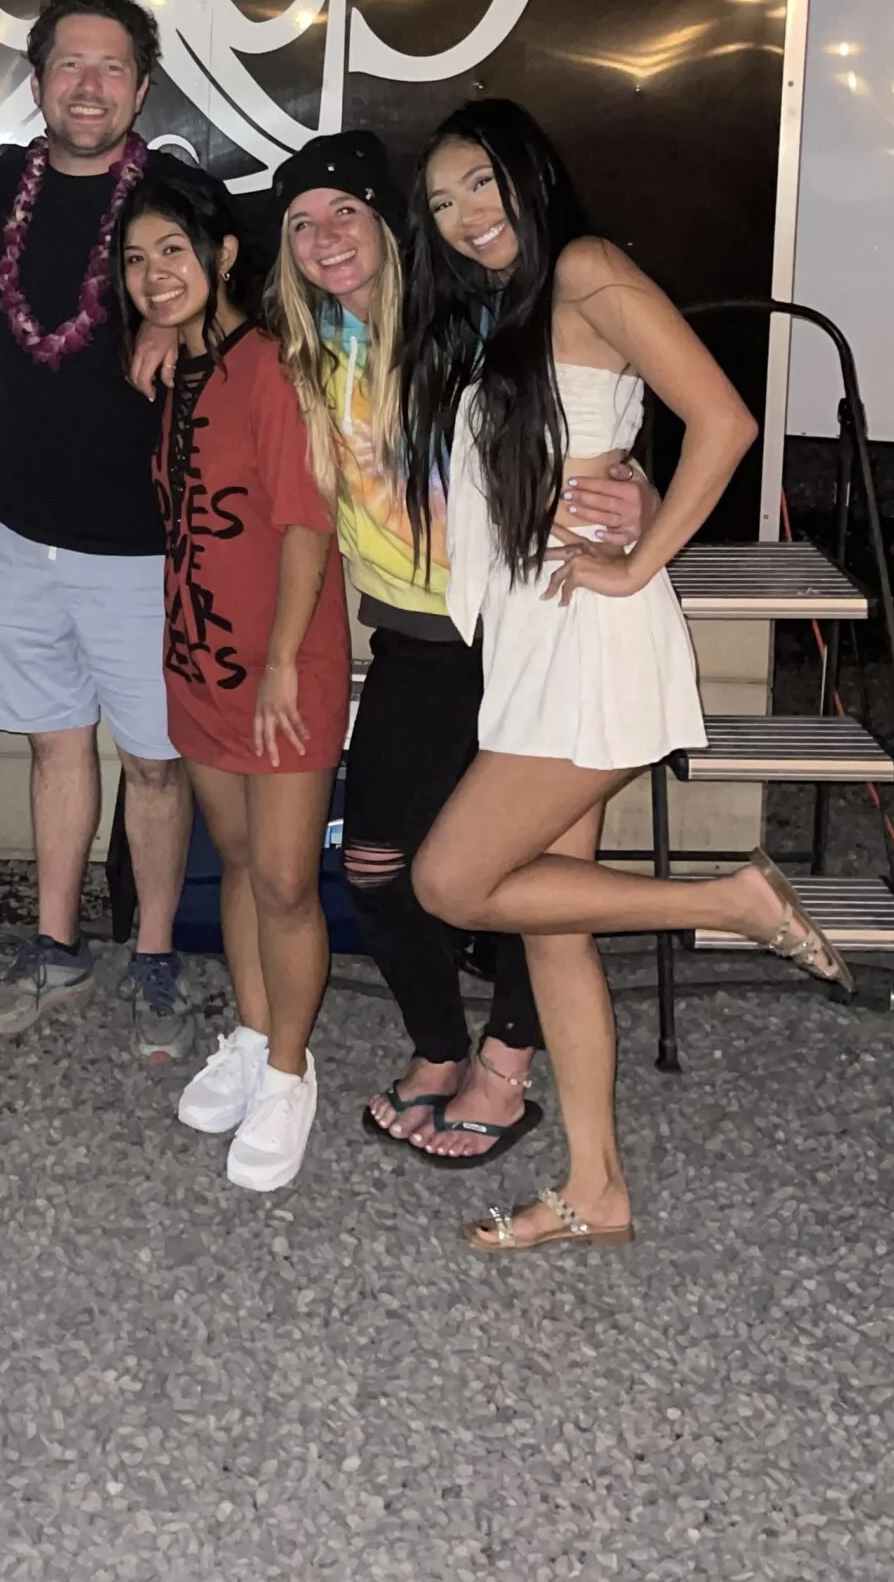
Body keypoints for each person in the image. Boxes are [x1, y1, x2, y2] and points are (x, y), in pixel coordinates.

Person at [403, 100, 849, 1254]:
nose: (465, 218)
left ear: (533, 176)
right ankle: (594, 1186)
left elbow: (727, 416)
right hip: (533, 638)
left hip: (588, 636)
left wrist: (644, 552)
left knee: (453, 879)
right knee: (551, 925)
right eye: (444, 203)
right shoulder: (507, 309)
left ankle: (728, 903)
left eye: (483, 186)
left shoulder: (590, 268)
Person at [268, 131, 653, 1166]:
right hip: (416, 636)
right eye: (302, 223)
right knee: (379, 862)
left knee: (532, 862)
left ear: (390, 227)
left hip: (529, 623)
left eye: (345, 212)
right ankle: (439, 1047)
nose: (325, 236)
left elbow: (598, 395)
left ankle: (508, 1061)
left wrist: (639, 487)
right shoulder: (309, 351)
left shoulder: (471, 317)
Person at [0, 0, 246, 1063]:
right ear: (36, 83)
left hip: (142, 540)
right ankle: (52, 943)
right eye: (69, 66)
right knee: (53, 745)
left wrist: (195, 325)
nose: (89, 86)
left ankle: (158, 952)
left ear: (143, 83)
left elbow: (251, 298)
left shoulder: (176, 198)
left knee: (159, 760)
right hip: (22, 526)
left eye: (112, 67)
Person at [118, 178, 349, 1188]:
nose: (151, 275)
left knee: (289, 881)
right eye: (134, 260)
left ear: (221, 255)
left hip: (280, 668)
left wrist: (285, 662)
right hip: (197, 660)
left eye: (171, 250)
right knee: (242, 857)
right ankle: (256, 1038)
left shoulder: (275, 368)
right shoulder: (177, 368)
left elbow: (308, 522)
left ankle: (293, 1074)